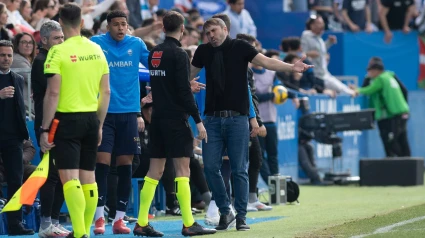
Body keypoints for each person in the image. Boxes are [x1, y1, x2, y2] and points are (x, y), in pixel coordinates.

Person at [190, 17, 312, 231]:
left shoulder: (240, 47)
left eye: (214, 31)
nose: (211, 36)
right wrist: (184, 82)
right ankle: (225, 210)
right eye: (207, 33)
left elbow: (266, 62)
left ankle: (242, 217)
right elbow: (187, 74)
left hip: (238, 118)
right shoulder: (203, 51)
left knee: (239, 169)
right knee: (210, 167)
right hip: (212, 119)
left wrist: (292, 67)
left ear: (225, 29)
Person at [133, 10, 216, 237]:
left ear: (162, 28)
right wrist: (198, 120)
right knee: (183, 170)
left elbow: (163, 84)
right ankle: (189, 224)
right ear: (182, 29)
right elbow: (182, 90)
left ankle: (141, 222)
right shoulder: (179, 53)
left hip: (157, 118)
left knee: (154, 171)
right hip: (175, 119)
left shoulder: (154, 53)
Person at [40, 3, 110, 238]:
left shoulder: (57, 52)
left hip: (67, 120)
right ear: (81, 22)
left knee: (69, 179)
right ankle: (84, 231)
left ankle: (80, 233)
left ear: (60, 22)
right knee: (89, 179)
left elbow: (52, 93)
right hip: (92, 118)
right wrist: (99, 124)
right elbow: (107, 92)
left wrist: (44, 128)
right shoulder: (97, 49)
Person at [90, 10, 148, 235]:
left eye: (124, 24)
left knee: (125, 167)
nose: (121, 28)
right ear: (108, 26)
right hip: (104, 114)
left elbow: (155, 65)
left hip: (129, 114)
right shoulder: (96, 44)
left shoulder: (137, 44)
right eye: (116, 25)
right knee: (102, 165)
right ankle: (98, 218)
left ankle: (119, 220)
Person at [31, 20, 69, 237]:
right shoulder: (41, 61)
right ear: (44, 40)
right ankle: (46, 224)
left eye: (62, 37)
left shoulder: (56, 60)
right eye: (56, 38)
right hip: (48, 125)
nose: (61, 42)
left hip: (61, 123)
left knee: (62, 173)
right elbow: (53, 92)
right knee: (51, 174)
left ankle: (54, 220)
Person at [0, 39, 34, 235]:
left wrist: (24, 135)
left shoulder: (18, 79)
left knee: (16, 180)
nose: (6, 59)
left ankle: (15, 223)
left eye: (9, 55)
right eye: (2, 55)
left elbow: (21, 110)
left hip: (14, 138)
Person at [354, 60, 410, 157]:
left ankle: (402, 161)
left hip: (394, 113)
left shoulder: (380, 79)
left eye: (370, 71)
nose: (368, 73)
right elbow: (404, 90)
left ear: (376, 71)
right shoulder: (390, 76)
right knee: (402, 139)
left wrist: (356, 90)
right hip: (403, 111)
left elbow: (370, 89)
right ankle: (409, 163)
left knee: (391, 140)